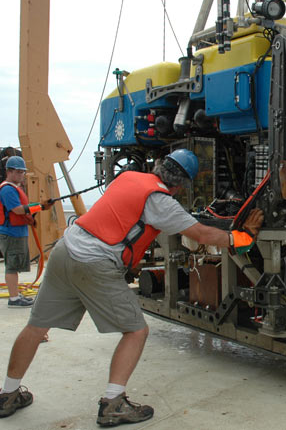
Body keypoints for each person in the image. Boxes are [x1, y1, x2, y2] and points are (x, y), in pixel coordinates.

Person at [0, 149, 264, 425]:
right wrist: (240, 237)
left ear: (159, 166)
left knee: (36, 326)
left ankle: (7, 394)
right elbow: (201, 233)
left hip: (66, 249)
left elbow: (123, 220)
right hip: (95, 262)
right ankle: (113, 403)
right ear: (180, 185)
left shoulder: (127, 178)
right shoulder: (161, 201)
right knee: (136, 331)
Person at [0, 156, 51, 308]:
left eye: (23, 172)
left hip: (17, 232)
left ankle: (15, 295)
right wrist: (40, 206)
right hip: (11, 233)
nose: (22, 175)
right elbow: (17, 209)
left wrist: (36, 209)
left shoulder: (13, 189)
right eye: (19, 172)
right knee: (12, 267)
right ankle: (14, 299)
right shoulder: (8, 189)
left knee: (14, 266)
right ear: (9, 172)